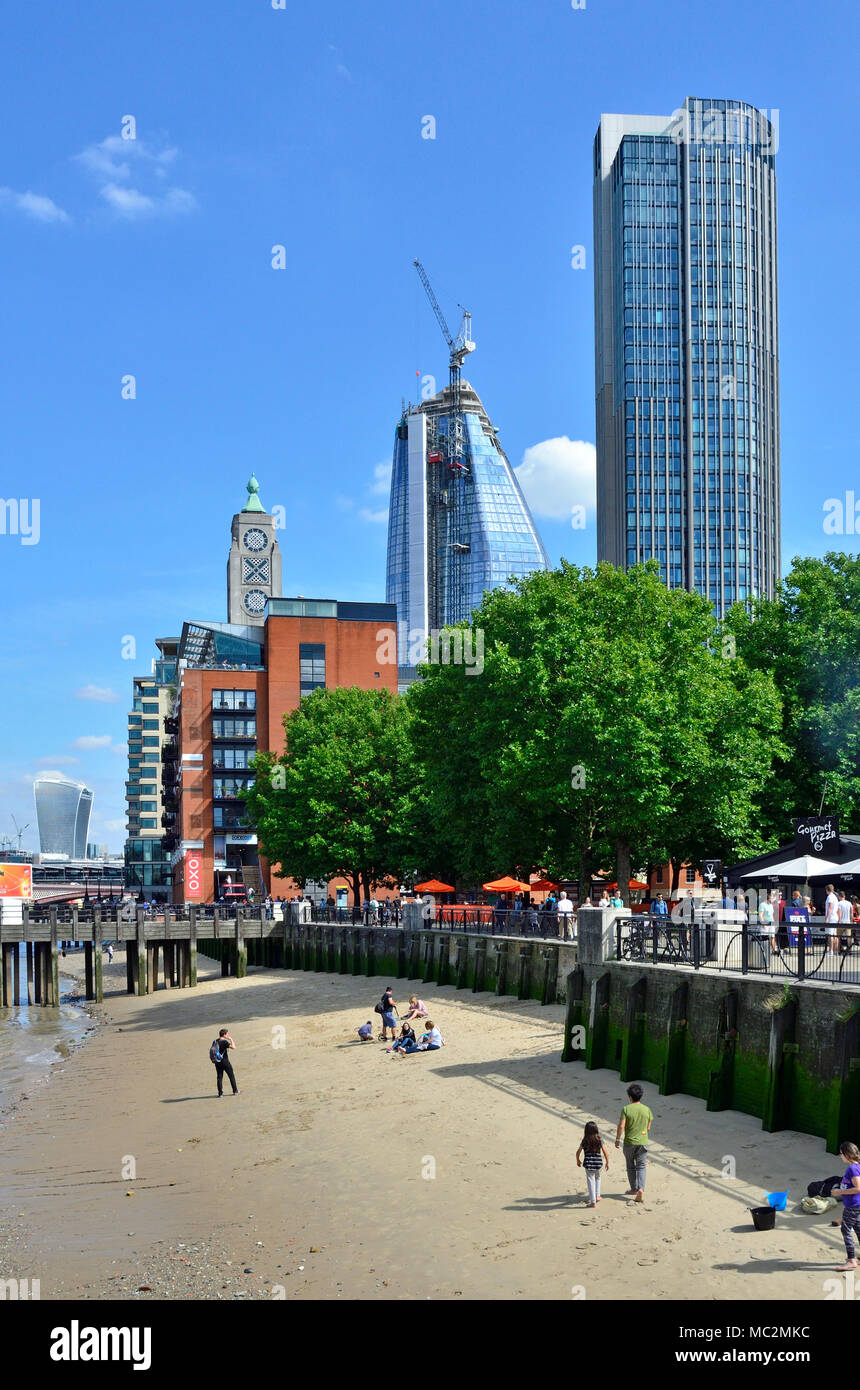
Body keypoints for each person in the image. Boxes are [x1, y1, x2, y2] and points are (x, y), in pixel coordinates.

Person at [615, 1083, 653, 1203]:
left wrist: (617, 1139)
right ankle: (641, 1188)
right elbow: (648, 1128)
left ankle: (634, 1189)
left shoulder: (626, 1109)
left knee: (630, 1166)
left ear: (630, 1097)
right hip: (643, 1142)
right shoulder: (647, 1109)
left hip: (629, 1142)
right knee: (641, 1166)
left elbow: (621, 1126)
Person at [831, 1141, 860, 1271]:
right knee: (858, 1228)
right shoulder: (857, 1166)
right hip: (854, 1205)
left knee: (845, 1230)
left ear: (847, 1155)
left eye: (841, 1153)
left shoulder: (852, 1169)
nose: (840, 1156)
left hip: (853, 1205)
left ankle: (851, 1260)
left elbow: (858, 1188)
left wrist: (839, 1192)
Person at [576, 1120, 610, 1208]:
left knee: (590, 1181)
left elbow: (578, 1152)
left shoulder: (585, 1140)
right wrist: (607, 1162)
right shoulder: (599, 1139)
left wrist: (578, 1160)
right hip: (598, 1163)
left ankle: (593, 1201)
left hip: (588, 1164)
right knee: (598, 1178)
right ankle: (597, 1195)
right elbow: (605, 1151)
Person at [211, 1028, 240, 1097]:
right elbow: (233, 1047)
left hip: (217, 1062)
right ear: (224, 1035)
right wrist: (231, 1039)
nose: (228, 1035)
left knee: (219, 1077)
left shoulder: (215, 1041)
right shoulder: (224, 1042)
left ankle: (220, 1093)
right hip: (225, 1062)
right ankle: (235, 1091)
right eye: (227, 1034)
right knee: (231, 1076)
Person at [825, 882, 840, 954]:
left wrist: (827, 918)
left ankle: (830, 950)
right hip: (835, 917)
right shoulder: (835, 897)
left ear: (827, 890)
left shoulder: (830, 897)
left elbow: (830, 907)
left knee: (830, 934)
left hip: (831, 917)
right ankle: (835, 950)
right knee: (834, 934)